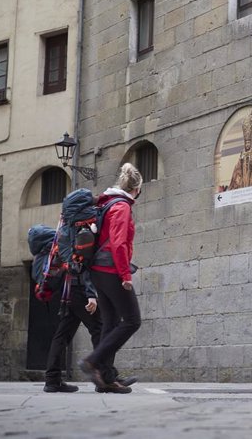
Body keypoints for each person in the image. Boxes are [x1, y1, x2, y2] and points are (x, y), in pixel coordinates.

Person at [79, 163, 143, 394]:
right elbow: (118, 243)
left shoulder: (107, 202)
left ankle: (105, 378)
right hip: (110, 269)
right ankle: (93, 361)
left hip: (98, 269)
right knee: (132, 321)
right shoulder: (122, 207)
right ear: (137, 189)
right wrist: (125, 275)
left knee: (111, 323)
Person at [43, 271, 137, 393]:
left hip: (67, 288)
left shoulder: (59, 250)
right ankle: (106, 379)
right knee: (101, 330)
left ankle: (52, 380)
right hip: (80, 288)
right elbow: (83, 266)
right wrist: (90, 294)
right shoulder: (76, 252)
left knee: (63, 334)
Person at [227, 109, 252, 190]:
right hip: (244, 179)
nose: (247, 144)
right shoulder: (242, 155)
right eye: (246, 142)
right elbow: (237, 170)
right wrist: (241, 161)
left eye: (249, 142)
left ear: (251, 142)